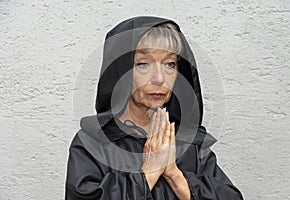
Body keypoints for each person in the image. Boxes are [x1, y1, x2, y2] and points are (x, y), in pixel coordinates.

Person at [65, 16, 244, 200]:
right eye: (143, 64)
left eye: (169, 64)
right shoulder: (94, 144)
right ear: (121, 72)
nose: (159, 78)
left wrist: (175, 176)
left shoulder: (189, 145)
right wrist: (149, 173)